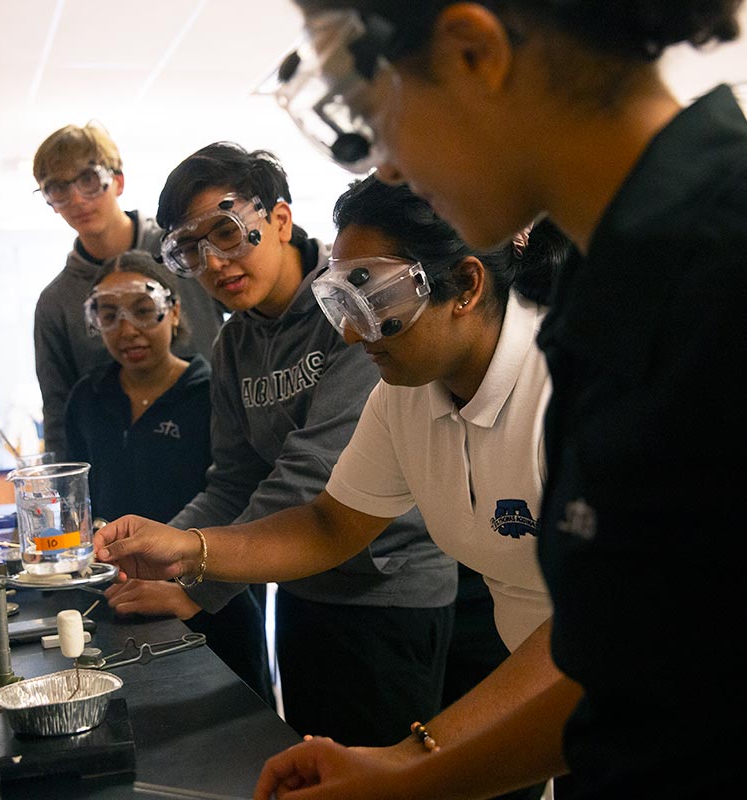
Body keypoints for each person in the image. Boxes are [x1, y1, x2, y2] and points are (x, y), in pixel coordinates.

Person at [235, 1, 747, 798]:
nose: (389, 170)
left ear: (474, 52)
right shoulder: (605, 293)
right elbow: (627, 660)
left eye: (376, 115)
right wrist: (405, 778)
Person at [96, 174, 572, 798]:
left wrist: (411, 755)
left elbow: (597, 625)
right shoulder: (406, 393)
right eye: (341, 300)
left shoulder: (570, 388)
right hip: (557, 700)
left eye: (374, 296)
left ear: (465, 286)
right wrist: (189, 552)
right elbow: (329, 524)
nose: (350, 333)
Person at [100, 143, 460, 748]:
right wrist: (155, 553)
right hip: (298, 584)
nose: (214, 263)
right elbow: (233, 479)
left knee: (384, 779)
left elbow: (313, 475)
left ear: (280, 221)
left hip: (387, 595)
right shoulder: (233, 344)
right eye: (191, 250)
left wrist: (193, 572)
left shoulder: (351, 306)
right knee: (312, 761)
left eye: (227, 233)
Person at [63, 250, 272, 702]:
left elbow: (242, 497)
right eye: (109, 315)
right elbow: (75, 503)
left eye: (143, 311)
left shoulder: (213, 390)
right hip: (116, 602)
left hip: (212, 603)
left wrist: (187, 589)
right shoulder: (87, 398)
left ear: (174, 311)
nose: (128, 329)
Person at [32, 122, 224, 460]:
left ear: (117, 181)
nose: (77, 198)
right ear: (50, 202)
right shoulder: (56, 303)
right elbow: (58, 418)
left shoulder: (187, 252)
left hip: (216, 447)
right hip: (118, 473)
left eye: (89, 180)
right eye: (58, 188)